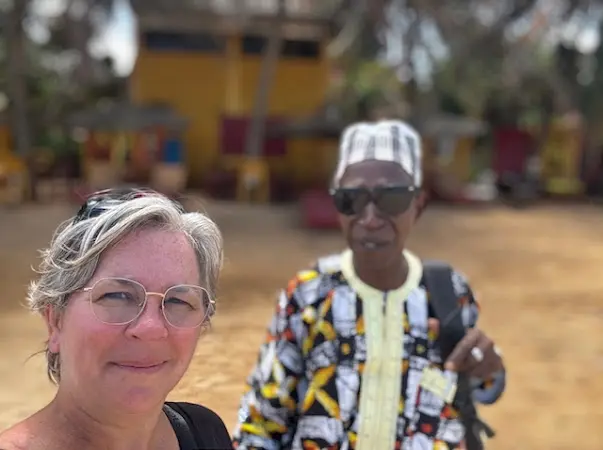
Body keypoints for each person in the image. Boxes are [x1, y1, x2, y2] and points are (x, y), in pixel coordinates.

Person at [232, 120, 506, 450]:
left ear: (418, 205)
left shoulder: (449, 292)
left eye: (392, 198)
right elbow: (261, 419)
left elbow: (474, 387)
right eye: (352, 199)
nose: (371, 218)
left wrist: (490, 372)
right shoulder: (309, 295)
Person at [0, 188, 233, 450]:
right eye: (118, 296)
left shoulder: (205, 433)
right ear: (55, 321)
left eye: (178, 301)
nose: (151, 328)